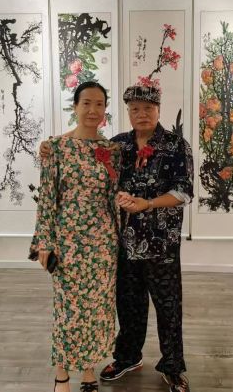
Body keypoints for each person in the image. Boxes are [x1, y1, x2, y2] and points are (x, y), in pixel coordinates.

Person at [40, 84, 193, 392]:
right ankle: (128, 357)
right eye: (135, 109)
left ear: (158, 110)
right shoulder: (118, 145)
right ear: (127, 112)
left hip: (161, 244)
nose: (141, 114)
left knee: (168, 308)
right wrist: (49, 147)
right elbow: (86, 160)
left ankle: (173, 367)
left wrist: (147, 204)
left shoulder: (176, 144)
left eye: (147, 108)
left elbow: (183, 192)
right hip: (121, 242)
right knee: (128, 305)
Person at [29, 81, 121, 392]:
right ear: (75, 106)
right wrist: (45, 241)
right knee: (68, 309)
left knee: (97, 310)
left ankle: (89, 372)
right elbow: (47, 197)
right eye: (86, 103)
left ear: (105, 109)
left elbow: (114, 196)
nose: (93, 110)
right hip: (68, 242)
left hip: (104, 244)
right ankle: (62, 375)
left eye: (99, 104)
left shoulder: (112, 151)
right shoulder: (56, 148)